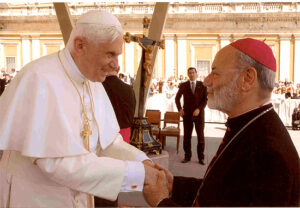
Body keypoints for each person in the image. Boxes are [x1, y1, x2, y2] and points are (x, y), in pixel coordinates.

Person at [0, 10, 160, 207]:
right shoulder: (40, 79)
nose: (116, 66)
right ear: (80, 45)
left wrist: (143, 162)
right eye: (110, 54)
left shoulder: (91, 80)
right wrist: (138, 175)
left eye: (117, 55)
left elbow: (107, 143)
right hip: (37, 196)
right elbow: (57, 163)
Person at [143, 38, 300, 207]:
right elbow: (222, 192)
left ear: (247, 78)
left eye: (215, 73)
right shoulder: (248, 125)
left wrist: (161, 202)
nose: (206, 81)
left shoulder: (270, 156)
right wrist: (174, 185)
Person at [175, 67, 207, 164]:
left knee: (200, 137)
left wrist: (199, 109)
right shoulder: (184, 85)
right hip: (187, 115)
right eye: (190, 73)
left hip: (199, 115)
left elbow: (205, 100)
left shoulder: (202, 85)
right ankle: (187, 156)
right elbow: (177, 98)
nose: (192, 74)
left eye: (193, 72)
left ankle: (201, 158)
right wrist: (180, 109)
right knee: (187, 137)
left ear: (196, 74)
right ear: (188, 74)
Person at [102, 66, 136, 143]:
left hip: (105, 133)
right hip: (124, 132)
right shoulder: (129, 89)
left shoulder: (100, 87)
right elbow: (131, 114)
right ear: (118, 69)